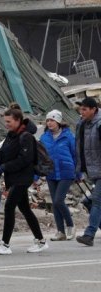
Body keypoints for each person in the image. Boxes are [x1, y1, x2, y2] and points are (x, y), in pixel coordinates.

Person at [0, 103, 48, 255]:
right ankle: (40, 241)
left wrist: (5, 167)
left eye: (9, 122)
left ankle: (5, 244)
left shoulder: (26, 137)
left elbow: (24, 159)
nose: (6, 124)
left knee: (9, 207)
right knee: (25, 209)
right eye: (5, 121)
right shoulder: (11, 135)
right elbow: (2, 153)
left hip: (23, 177)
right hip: (14, 177)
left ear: (18, 120)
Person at [36, 110, 78, 241]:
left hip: (66, 171)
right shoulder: (44, 138)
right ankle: (60, 231)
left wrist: (79, 172)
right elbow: (40, 159)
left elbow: (75, 155)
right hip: (51, 173)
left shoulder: (68, 136)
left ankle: (70, 225)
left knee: (59, 200)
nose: (49, 123)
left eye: (52, 120)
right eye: (47, 120)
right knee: (54, 203)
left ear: (58, 122)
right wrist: (36, 177)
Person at [75, 97, 101, 246]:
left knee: (97, 200)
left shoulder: (99, 124)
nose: (81, 112)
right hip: (93, 171)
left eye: (85, 109)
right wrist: (78, 169)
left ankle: (89, 235)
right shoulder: (83, 125)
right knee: (88, 201)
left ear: (93, 109)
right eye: (81, 109)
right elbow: (79, 147)